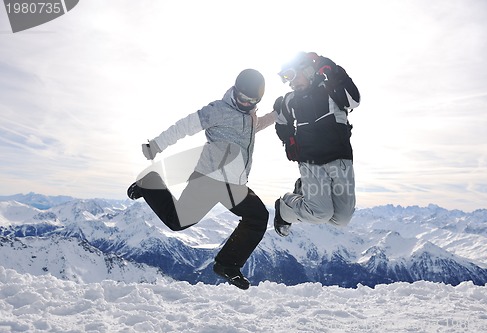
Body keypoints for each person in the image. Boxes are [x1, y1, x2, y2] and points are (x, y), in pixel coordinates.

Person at [127, 69, 276, 289]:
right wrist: (156, 145)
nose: (245, 103)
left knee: (258, 217)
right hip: (208, 180)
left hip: (234, 185)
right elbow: (184, 126)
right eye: (242, 97)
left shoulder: (250, 116)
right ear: (234, 90)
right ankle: (149, 184)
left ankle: (227, 264)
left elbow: (256, 127)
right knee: (177, 222)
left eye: (251, 101)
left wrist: (277, 115)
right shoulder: (218, 110)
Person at [273, 52, 360, 237]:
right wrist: (289, 139)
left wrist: (334, 71)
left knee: (342, 219)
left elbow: (354, 100)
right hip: (310, 161)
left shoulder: (331, 88)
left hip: (339, 158)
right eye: (288, 79)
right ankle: (284, 208)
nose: (292, 83)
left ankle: (304, 191)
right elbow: (281, 121)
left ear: (309, 70)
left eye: (295, 76)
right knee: (321, 214)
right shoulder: (290, 100)